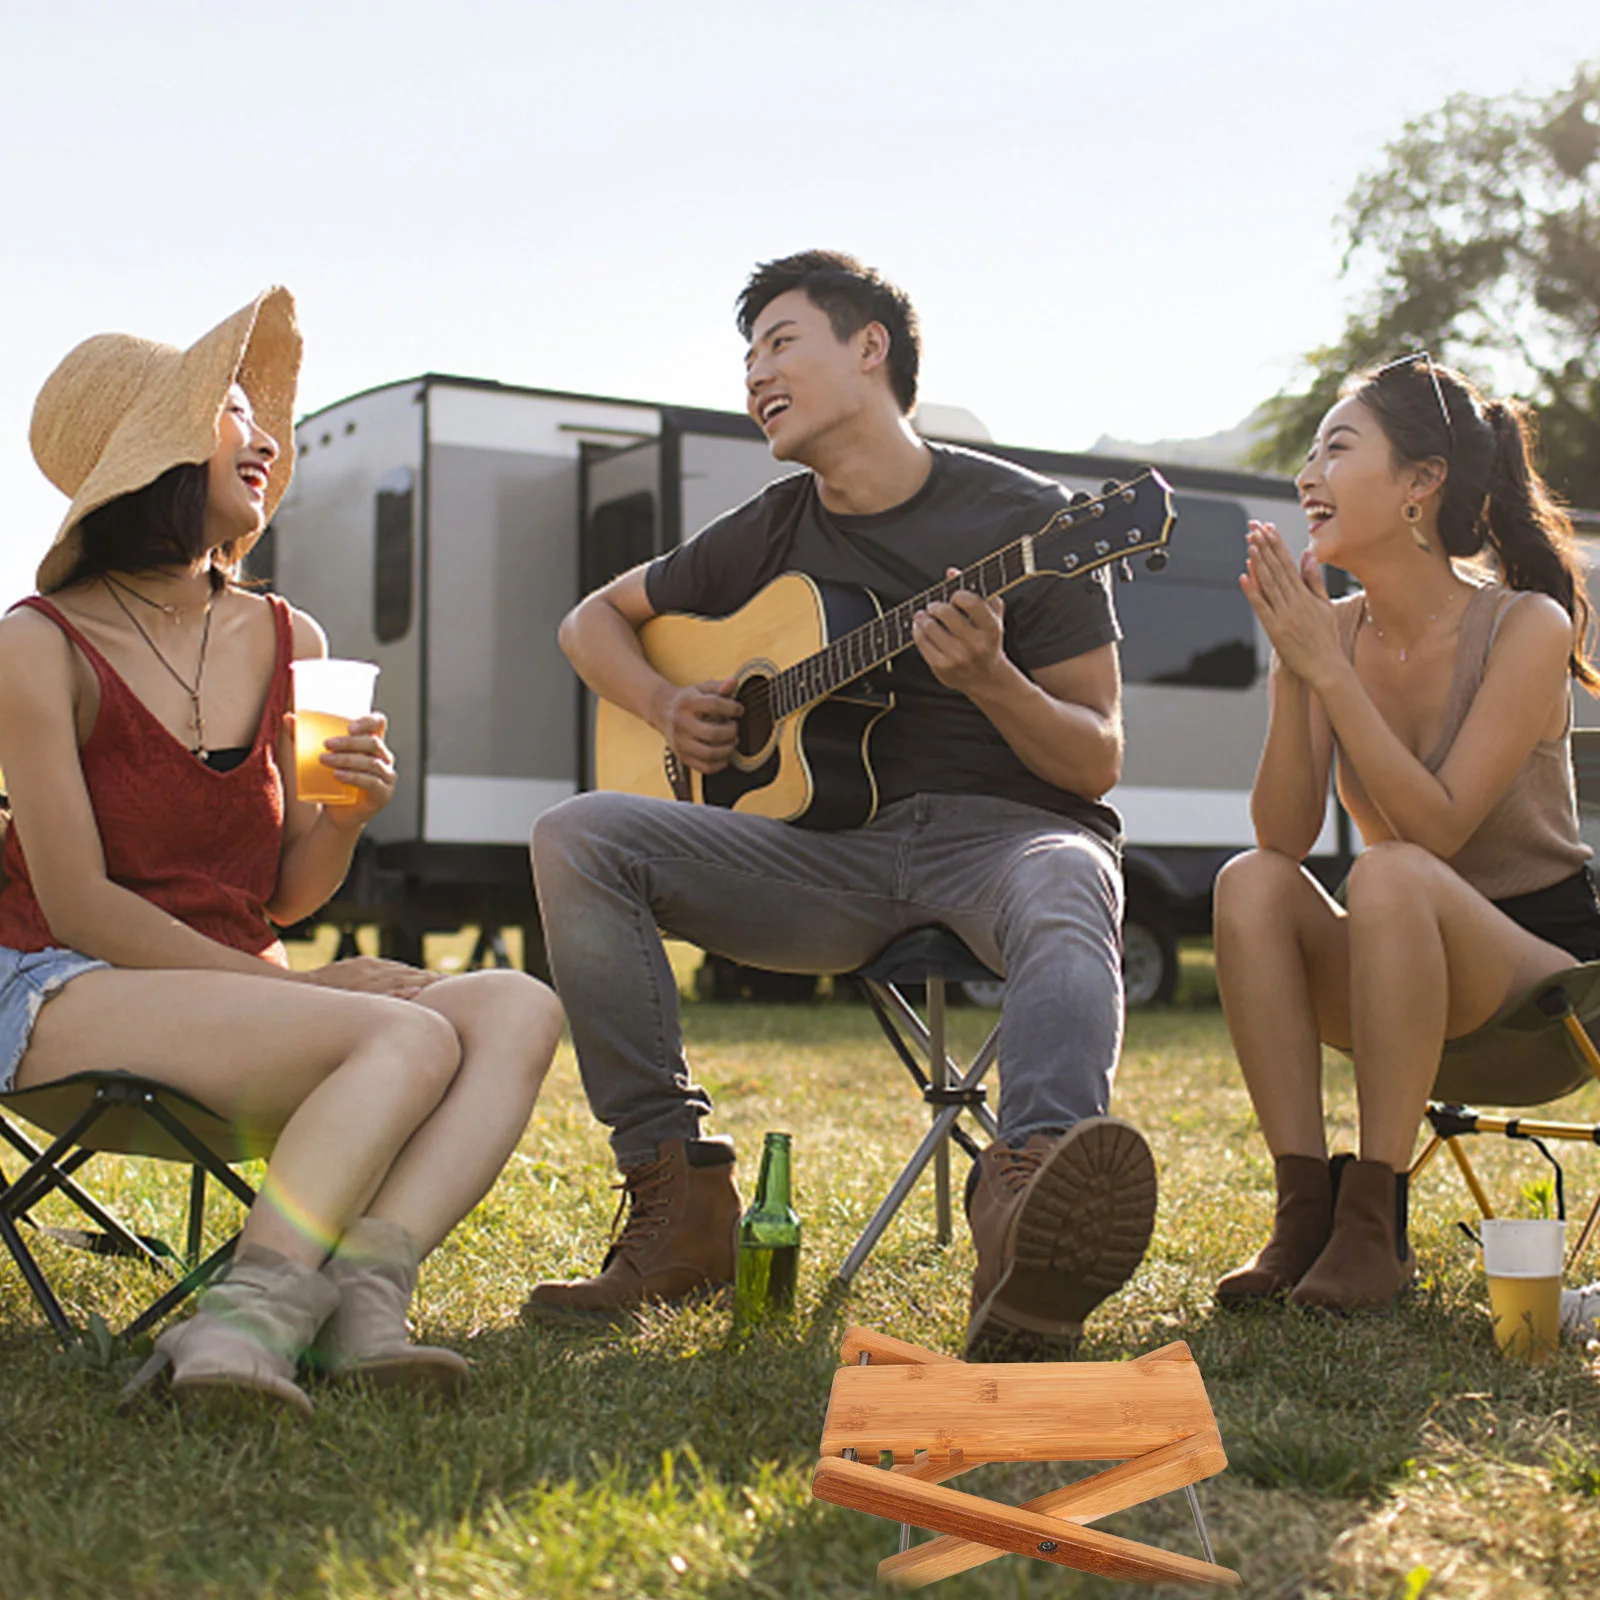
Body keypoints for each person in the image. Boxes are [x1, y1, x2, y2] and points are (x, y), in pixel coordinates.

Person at [527, 250, 1156, 1359]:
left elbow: (1095, 759)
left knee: (1070, 873)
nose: (755, 374)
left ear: (870, 349)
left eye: (779, 342)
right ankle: (681, 1206)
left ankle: (1026, 1209)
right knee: (577, 834)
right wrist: (670, 703)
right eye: (747, 356)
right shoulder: (772, 528)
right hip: (824, 856)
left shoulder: (1036, 521)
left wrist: (992, 683)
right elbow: (592, 622)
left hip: (1003, 841)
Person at [0, 289, 564, 1413]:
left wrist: (345, 815)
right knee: (397, 1036)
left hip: (239, 1012)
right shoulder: (34, 645)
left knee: (516, 1006)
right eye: (231, 412)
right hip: (57, 987)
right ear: (149, 451)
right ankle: (237, 1324)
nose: (265, 441)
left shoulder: (288, 635)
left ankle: (361, 1303)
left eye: (266, 418)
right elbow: (77, 904)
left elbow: (289, 891)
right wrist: (305, 993)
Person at [1213, 353, 1600, 1313]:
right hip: (1396, 981)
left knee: (1387, 869)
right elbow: (1283, 834)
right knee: (1247, 881)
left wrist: (1331, 675)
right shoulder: (1327, 635)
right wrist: (1297, 667)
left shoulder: (1527, 626)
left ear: (1421, 483)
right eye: (1308, 455)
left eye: (1337, 449)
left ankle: (1371, 1225)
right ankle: (1306, 1211)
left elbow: (1436, 827)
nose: (1308, 476)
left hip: (1538, 989)